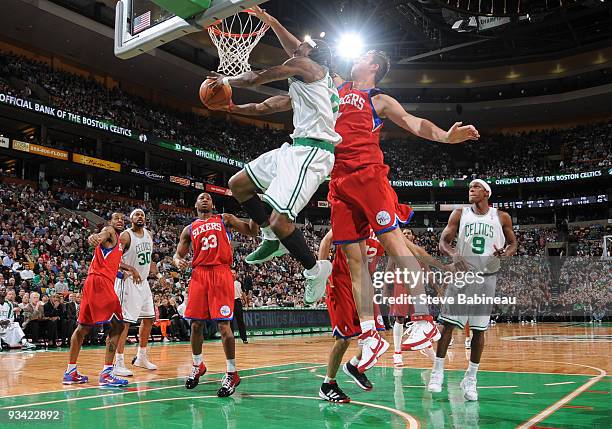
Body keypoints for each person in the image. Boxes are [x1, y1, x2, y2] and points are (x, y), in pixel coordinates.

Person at [240, 6, 480, 371]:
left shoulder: (378, 98)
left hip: (368, 176)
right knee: (353, 261)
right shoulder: (336, 86)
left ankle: (424, 320)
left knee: (395, 245)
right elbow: (299, 56)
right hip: (338, 182)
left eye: (365, 56)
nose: (358, 58)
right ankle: (370, 335)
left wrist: (447, 136)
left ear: (374, 67)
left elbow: (415, 123)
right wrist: (271, 21)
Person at [207, 10, 341, 305]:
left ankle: (315, 268)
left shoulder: (304, 66)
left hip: (312, 152)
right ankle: (270, 237)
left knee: (282, 221)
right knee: (238, 183)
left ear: (311, 54)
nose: (299, 45)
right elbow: (265, 107)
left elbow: (258, 78)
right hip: (294, 149)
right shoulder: (311, 83)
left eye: (304, 44)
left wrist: (225, 80)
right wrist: (231, 107)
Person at [428, 180, 517, 401]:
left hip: (487, 277)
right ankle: (438, 371)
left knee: (479, 331)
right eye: (470, 187)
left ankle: (471, 378)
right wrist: (453, 254)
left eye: (476, 187)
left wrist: (506, 253)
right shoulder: (459, 214)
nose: (471, 190)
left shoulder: (501, 217)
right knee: (447, 325)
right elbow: (443, 241)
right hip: (462, 276)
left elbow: (513, 243)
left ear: (486, 193)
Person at [173, 193, 258, 397]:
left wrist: (256, 211)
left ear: (212, 204)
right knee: (195, 324)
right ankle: (197, 365)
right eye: (200, 197)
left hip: (220, 272)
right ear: (195, 203)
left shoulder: (224, 219)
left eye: (208, 198)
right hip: (199, 275)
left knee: (223, 325)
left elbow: (251, 231)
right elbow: (178, 255)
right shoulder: (189, 229)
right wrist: (177, 262)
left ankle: (231, 372)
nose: (204, 199)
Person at [317, 228, 386, 402]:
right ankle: (327, 385)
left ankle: (353, 365)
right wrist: (322, 274)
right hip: (340, 283)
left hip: (363, 286)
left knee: (379, 336)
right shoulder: (352, 218)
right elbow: (326, 241)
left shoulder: (383, 228)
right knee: (343, 339)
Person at [62, 212, 128, 387]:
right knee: (118, 325)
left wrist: (121, 273)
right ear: (110, 222)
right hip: (100, 283)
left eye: (122, 219)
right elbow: (100, 236)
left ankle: (70, 371)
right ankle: (107, 374)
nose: (120, 221)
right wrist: (94, 236)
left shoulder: (119, 242)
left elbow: (109, 262)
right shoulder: (110, 232)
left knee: (83, 327)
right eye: (117, 218)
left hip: (92, 282)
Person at [112, 209, 158, 377]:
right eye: (137, 214)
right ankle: (118, 362)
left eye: (143, 215)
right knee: (125, 323)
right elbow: (114, 258)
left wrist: (157, 273)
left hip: (144, 282)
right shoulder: (125, 236)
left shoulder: (148, 234)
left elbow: (149, 258)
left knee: (149, 319)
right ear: (130, 218)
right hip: (129, 281)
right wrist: (131, 269)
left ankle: (141, 357)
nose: (140, 217)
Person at [0, 286, 36, 350]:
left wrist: (7, 321)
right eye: (1, 290)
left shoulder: (9, 304)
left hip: (5, 325)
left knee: (16, 324)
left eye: (4, 290)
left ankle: (25, 342)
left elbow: (11, 317)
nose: (3, 292)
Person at [232, 270, 248, 344]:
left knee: (240, 321)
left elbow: (244, 293)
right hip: (229, 303)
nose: (233, 274)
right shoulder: (226, 282)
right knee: (230, 322)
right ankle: (231, 338)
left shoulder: (240, 283)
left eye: (234, 273)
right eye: (231, 273)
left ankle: (244, 338)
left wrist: (246, 302)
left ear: (236, 274)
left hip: (238, 302)